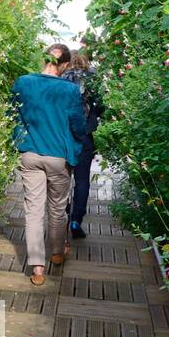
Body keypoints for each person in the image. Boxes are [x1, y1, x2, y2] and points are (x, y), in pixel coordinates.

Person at [11, 43, 87, 285]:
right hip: (58, 156)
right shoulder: (69, 90)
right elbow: (77, 124)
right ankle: (56, 252)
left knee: (33, 211)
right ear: (64, 65)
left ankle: (37, 269)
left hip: (29, 153)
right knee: (57, 208)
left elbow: (12, 113)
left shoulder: (23, 82)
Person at [60, 49, 103, 239]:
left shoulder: (62, 77)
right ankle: (76, 219)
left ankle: (61, 216)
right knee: (83, 179)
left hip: (63, 134)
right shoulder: (93, 78)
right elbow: (101, 106)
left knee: (60, 178)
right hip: (85, 134)